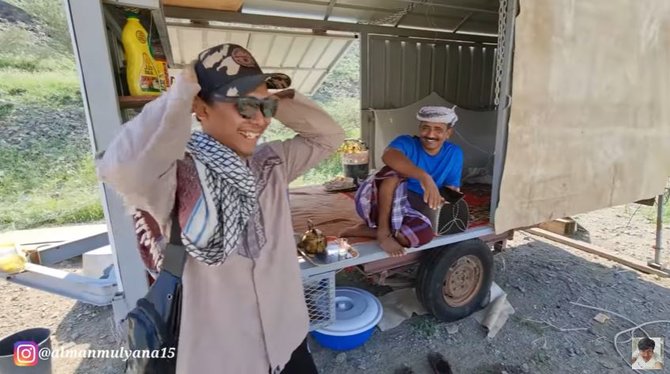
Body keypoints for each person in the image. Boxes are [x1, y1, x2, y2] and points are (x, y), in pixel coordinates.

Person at [96, 43, 344, 373]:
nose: (259, 120)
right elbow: (120, 168)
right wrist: (181, 92)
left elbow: (328, 136)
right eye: (244, 105)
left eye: (264, 108)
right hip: (222, 357)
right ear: (201, 107)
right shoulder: (174, 175)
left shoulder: (271, 163)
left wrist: (275, 99)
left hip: (287, 340)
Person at [341, 106, 463, 257]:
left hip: (415, 207)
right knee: (391, 173)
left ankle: (368, 231)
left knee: (424, 236)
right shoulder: (406, 142)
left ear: (448, 133)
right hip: (379, 202)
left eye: (438, 129)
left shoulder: (454, 153)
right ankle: (383, 232)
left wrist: (447, 196)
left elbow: (451, 185)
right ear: (419, 129)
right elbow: (388, 156)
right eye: (426, 128)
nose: (431, 134)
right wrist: (424, 177)